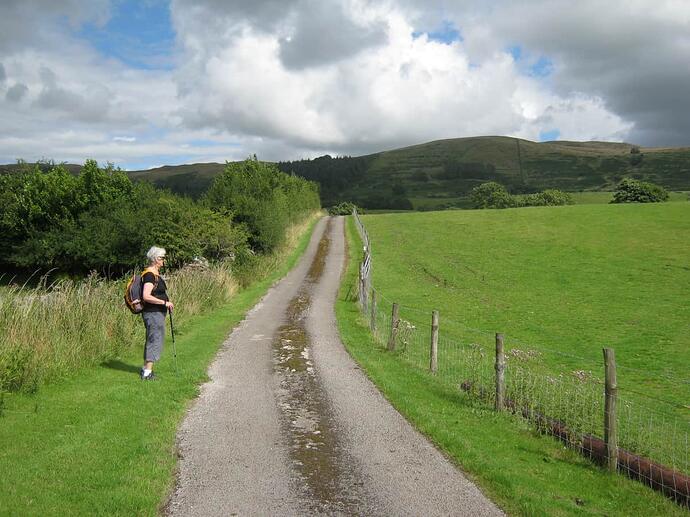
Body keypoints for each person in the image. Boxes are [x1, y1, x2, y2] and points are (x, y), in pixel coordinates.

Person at [140, 246, 174, 380]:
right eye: (162, 258)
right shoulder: (149, 275)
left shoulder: (154, 274)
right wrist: (164, 303)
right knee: (154, 340)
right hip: (153, 313)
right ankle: (148, 373)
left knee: (153, 339)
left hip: (156, 313)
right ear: (155, 259)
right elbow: (146, 296)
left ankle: (145, 369)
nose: (164, 260)